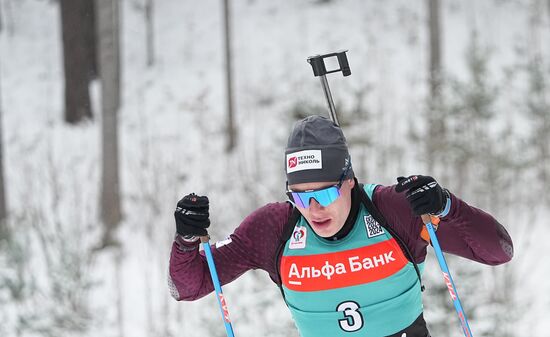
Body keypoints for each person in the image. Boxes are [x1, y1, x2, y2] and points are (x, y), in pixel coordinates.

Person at [168, 115, 513, 337]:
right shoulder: (274, 228)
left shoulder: (391, 209)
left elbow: (498, 251)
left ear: (349, 180)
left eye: (325, 192)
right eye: (300, 197)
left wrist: (447, 206)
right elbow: (188, 286)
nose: (313, 208)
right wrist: (186, 240)